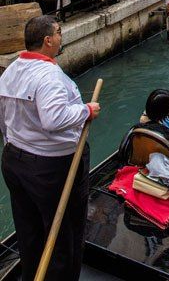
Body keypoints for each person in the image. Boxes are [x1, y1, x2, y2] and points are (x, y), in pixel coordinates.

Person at [0, 15, 101, 280]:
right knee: (64, 236)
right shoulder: (49, 76)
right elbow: (54, 119)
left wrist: (13, 145)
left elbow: (3, 118)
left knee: (28, 230)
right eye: (58, 32)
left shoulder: (11, 69)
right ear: (47, 40)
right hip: (51, 169)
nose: (60, 36)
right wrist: (86, 111)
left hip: (14, 162)